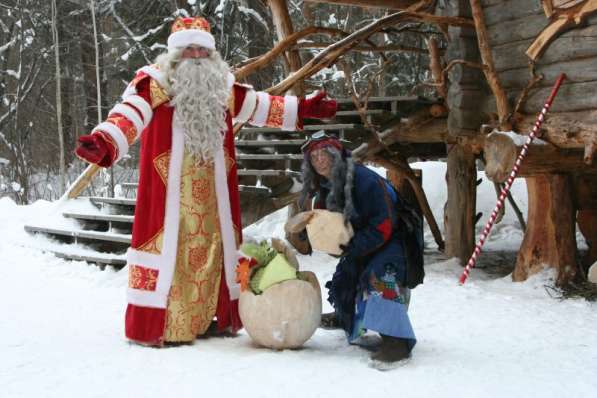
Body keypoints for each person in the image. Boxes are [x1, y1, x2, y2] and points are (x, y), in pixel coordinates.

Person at [75, 17, 337, 346]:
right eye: (189, 49)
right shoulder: (154, 83)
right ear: (174, 54)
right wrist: (106, 140)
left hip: (214, 197)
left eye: (202, 48)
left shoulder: (221, 87)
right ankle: (166, 326)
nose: (196, 55)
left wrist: (303, 109)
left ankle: (209, 318)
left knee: (215, 257)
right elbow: (130, 112)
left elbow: (260, 105)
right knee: (173, 256)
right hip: (171, 196)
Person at [297, 132, 416, 366]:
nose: (319, 160)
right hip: (361, 239)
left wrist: (355, 246)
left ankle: (397, 342)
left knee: (380, 279)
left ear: (336, 155)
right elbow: (327, 221)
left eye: (324, 154)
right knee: (345, 278)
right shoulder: (325, 185)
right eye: (314, 157)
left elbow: (384, 223)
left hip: (392, 238)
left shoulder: (364, 180)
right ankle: (346, 318)